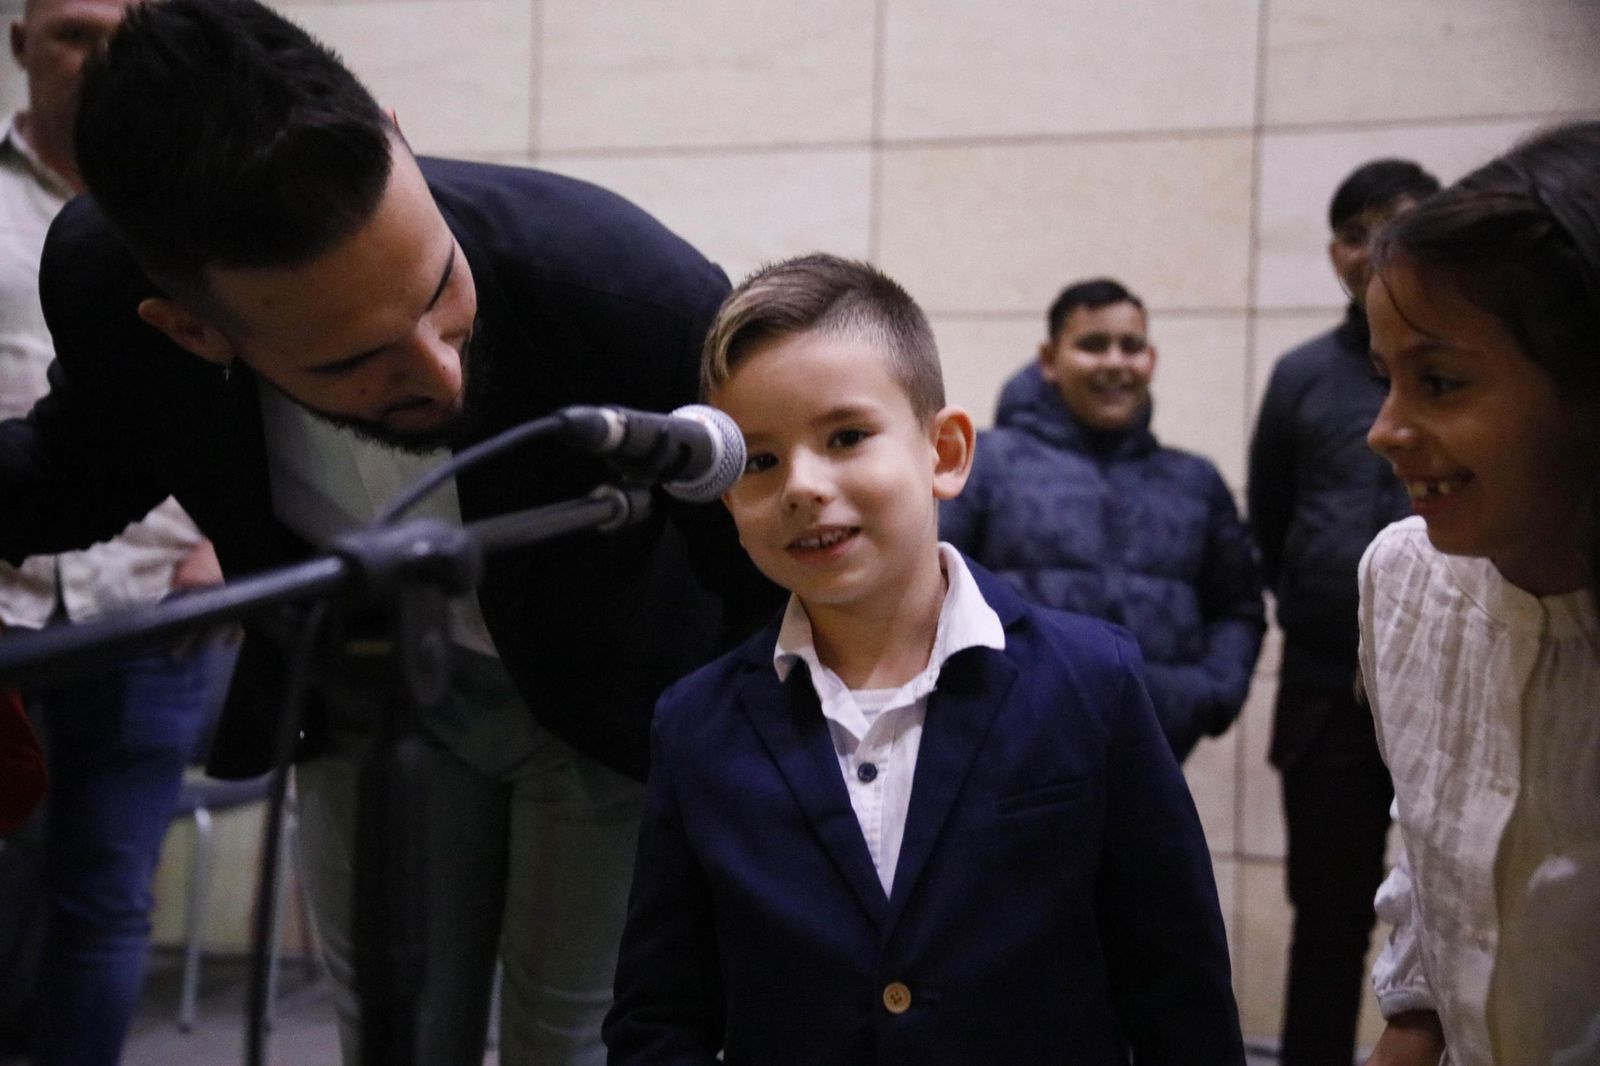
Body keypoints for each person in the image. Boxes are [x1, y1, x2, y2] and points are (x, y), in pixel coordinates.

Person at [0, 0, 777, 1062]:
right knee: (395, 1039)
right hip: (365, 692)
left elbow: (763, 558)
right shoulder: (107, 276)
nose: (440, 369)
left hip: (606, 712)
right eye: (353, 360)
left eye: (441, 294)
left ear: (397, 137)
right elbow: (78, 472)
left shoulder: (619, 280)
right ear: (192, 330)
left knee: (572, 1038)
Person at [604, 254, 1244, 1064]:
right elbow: (660, 1021)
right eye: (760, 462)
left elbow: (1178, 996)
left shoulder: (1092, 680)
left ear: (944, 453)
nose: (801, 485)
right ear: (729, 497)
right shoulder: (697, 724)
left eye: (845, 437)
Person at [0, 0, 237, 1061]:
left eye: (121, 34)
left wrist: (226, 544)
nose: (98, 59)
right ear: (20, 44)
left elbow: (252, 385)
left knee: (107, 896)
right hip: (3, 599)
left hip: (154, 603)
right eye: (71, 32)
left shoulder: (199, 206)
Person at [1359, 120, 1600, 1066]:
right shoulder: (1405, 577)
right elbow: (1437, 861)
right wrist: (1412, 1026)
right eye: (1386, 380)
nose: (1385, 430)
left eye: (1442, 382)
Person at [1246, 158, 1439, 1066]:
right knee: (1326, 924)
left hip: (1456, 686)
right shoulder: (1298, 377)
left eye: (1399, 227)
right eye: (1360, 233)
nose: (1376, 251)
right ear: (1337, 254)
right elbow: (1273, 522)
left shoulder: (1462, 361)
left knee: (1472, 912)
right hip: (1330, 690)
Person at [940, 277, 1264, 761]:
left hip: (1154, 756)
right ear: (1050, 360)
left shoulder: (1195, 481)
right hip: (1008, 755)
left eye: (1130, 346)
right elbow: (932, 592)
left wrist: (1209, 694)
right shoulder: (984, 466)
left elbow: (1238, 606)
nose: (1115, 362)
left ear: (1150, 360)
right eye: (1093, 345)